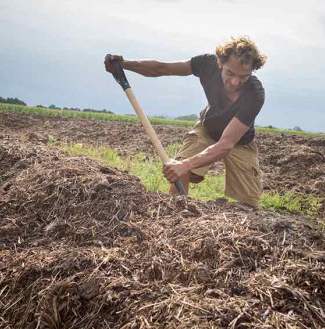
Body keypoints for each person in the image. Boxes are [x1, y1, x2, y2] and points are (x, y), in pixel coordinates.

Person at [104, 36, 267, 208]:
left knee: (250, 204)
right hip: (208, 128)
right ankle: (175, 213)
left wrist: (185, 164)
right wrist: (125, 65)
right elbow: (161, 68)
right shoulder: (206, 64)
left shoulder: (255, 94)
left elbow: (226, 144)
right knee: (179, 170)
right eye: (230, 73)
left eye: (244, 76)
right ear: (220, 63)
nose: (235, 82)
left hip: (239, 141)